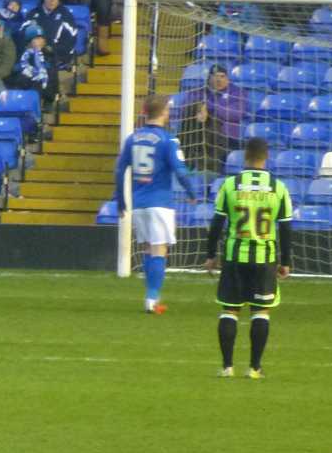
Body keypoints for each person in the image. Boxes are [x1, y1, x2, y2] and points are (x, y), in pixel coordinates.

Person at [204, 138, 293, 379]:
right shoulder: (279, 187)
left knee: (230, 310)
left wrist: (211, 255)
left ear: (245, 157)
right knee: (261, 312)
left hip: (235, 257)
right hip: (264, 259)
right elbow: (285, 227)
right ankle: (254, 368)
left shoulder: (231, 184)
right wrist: (285, 262)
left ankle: (227, 367)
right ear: (266, 157)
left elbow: (217, 223)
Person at [115, 93, 195, 315]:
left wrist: (121, 200)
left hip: (139, 203)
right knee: (159, 250)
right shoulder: (168, 140)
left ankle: (151, 296)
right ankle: (152, 298)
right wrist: (191, 191)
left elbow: (120, 170)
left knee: (148, 249)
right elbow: (179, 170)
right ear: (163, 113)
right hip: (160, 202)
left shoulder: (132, 138)